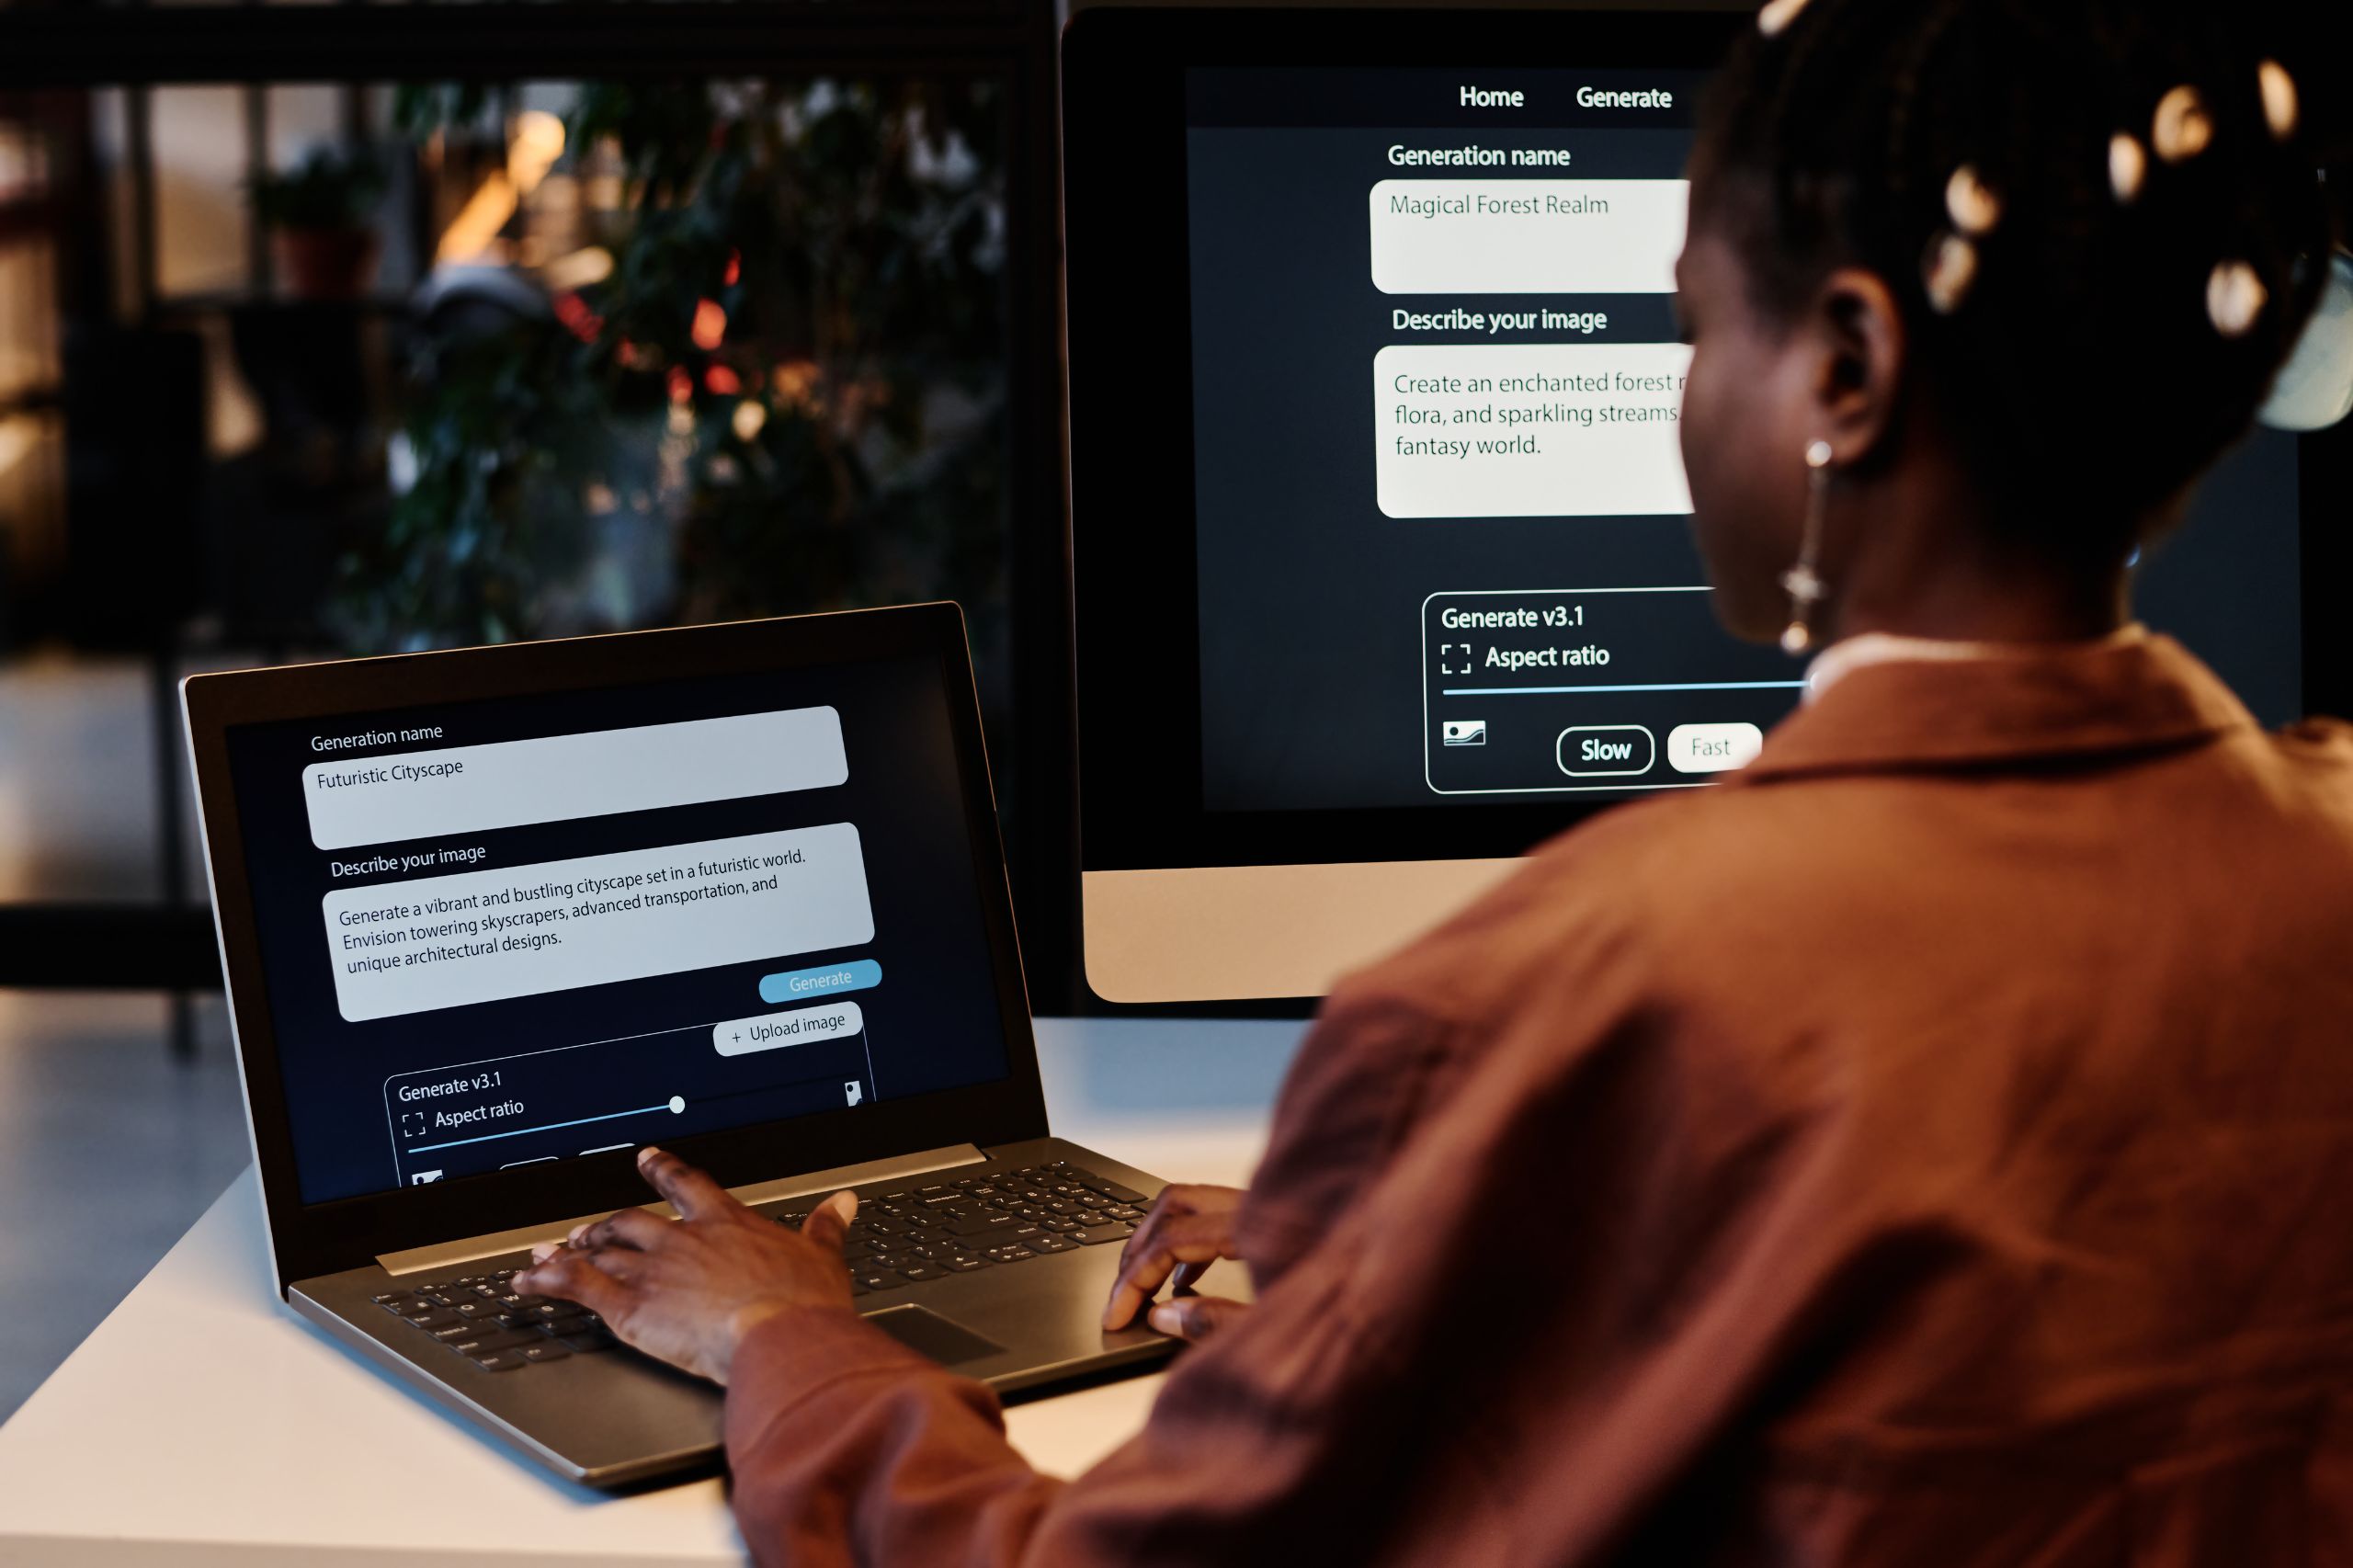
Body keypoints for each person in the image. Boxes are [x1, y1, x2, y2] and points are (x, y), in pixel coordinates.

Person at [516, 0, 2353, 1561]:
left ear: (1847, 368)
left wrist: (787, 1343)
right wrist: (1452, 1225)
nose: (1682, 390)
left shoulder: (1545, 998)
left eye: (1694, 327)